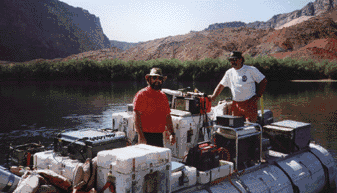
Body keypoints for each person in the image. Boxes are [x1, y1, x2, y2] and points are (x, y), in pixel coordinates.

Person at [208, 51, 267, 123]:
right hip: (236, 104)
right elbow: (221, 85)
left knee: (250, 126)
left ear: (241, 59)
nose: (232, 62)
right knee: (236, 125)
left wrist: (257, 96)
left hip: (249, 103)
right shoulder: (229, 72)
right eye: (231, 60)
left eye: (235, 60)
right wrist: (214, 96)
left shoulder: (250, 70)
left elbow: (263, 81)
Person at [133, 67, 176, 147]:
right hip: (143, 135)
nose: (157, 80)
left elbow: (167, 116)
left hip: (158, 137)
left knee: (158, 159)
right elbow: (136, 116)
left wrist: (172, 133)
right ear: (149, 79)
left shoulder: (163, 96)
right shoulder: (141, 95)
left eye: (159, 78)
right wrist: (141, 136)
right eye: (154, 78)